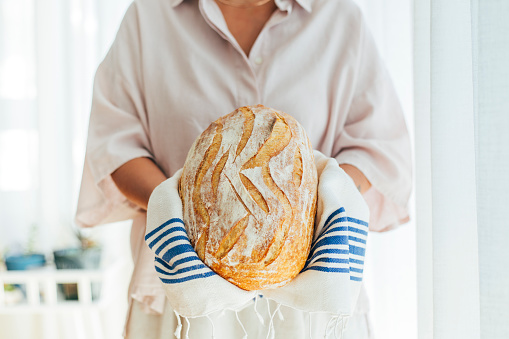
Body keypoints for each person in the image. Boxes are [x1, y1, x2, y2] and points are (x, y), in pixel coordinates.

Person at [76, 0, 412, 337]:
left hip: (313, 301)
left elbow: (376, 146)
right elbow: (114, 145)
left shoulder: (337, 16)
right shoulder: (150, 16)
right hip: (183, 296)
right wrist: (189, 216)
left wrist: (309, 208)